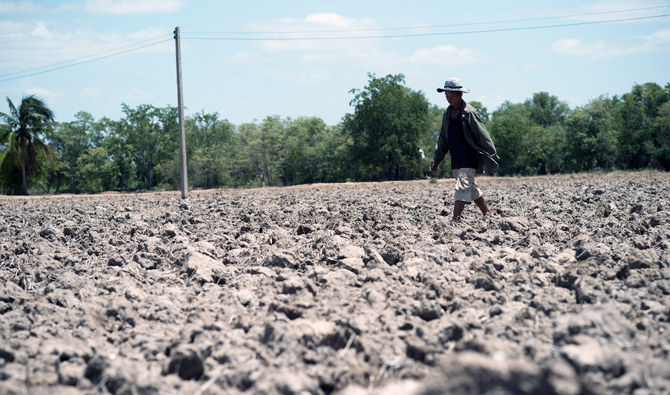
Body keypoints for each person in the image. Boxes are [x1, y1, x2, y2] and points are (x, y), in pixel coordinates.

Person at [429, 78, 500, 222]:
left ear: (460, 94)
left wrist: (492, 159)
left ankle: (455, 220)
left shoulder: (470, 113)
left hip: (469, 157)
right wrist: (436, 160)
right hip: (456, 159)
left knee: (462, 186)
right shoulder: (447, 114)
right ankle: (487, 213)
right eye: (446, 96)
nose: (448, 99)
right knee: (471, 188)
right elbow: (443, 139)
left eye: (451, 96)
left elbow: (484, 136)